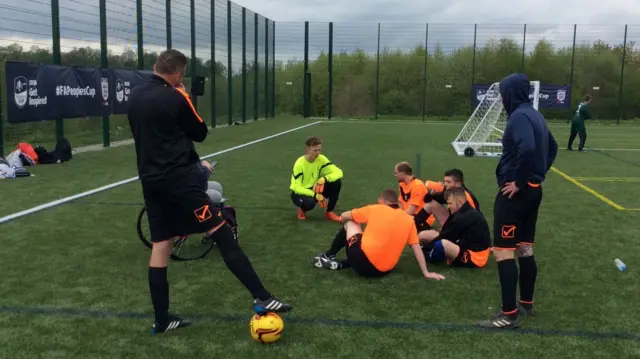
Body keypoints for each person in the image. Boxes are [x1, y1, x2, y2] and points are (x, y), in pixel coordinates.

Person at [127, 49, 292, 334]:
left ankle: (162, 320)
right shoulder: (177, 96)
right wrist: (186, 97)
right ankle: (263, 297)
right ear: (178, 74)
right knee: (221, 231)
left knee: (161, 246)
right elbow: (200, 132)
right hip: (181, 182)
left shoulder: (134, 96)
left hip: (151, 182)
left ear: (155, 67)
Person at [476, 73, 558, 329]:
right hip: (533, 192)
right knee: (524, 247)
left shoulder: (519, 117)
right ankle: (526, 304)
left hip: (515, 195)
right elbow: (552, 147)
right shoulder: (534, 114)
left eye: (502, 93)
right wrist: (537, 176)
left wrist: (520, 181)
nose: (501, 98)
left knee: (503, 250)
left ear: (510, 93)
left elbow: (529, 148)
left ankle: (508, 314)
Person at [312, 188, 445, 281]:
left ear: (381, 201)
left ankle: (328, 255)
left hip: (363, 263)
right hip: (383, 271)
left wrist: (344, 220)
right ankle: (343, 264)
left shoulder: (375, 208)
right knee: (366, 242)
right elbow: (416, 247)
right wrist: (426, 273)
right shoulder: (409, 220)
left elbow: (344, 215)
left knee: (351, 223)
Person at [418, 187, 491, 269]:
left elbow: (446, 237)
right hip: (464, 244)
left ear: (459, 202)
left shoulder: (463, 217)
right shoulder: (462, 211)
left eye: (450, 203)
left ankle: (427, 255)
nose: (448, 207)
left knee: (443, 244)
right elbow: (446, 232)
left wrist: (424, 249)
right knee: (422, 236)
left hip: (475, 257)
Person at [290, 136, 343, 221]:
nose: (318, 153)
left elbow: (339, 172)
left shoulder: (321, 159)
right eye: (315, 150)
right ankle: (302, 209)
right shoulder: (299, 164)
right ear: (307, 150)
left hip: (315, 188)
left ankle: (329, 212)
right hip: (300, 193)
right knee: (309, 204)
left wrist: (325, 178)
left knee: (336, 183)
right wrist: (315, 195)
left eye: (319, 150)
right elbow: (295, 187)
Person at [393, 162, 435, 232]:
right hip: (408, 215)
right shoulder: (402, 184)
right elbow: (400, 202)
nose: (395, 175)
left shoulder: (417, 186)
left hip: (422, 220)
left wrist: (398, 217)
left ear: (403, 173)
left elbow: (412, 209)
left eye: (396, 173)